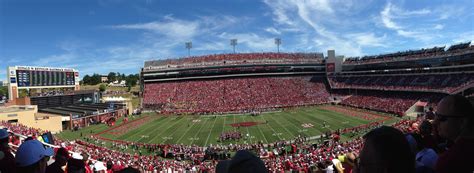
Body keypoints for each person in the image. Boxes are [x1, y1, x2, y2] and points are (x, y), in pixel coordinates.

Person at [433, 95, 474, 173]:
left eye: (442, 118)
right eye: (436, 115)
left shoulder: (450, 161)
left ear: (462, 122)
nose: (435, 122)